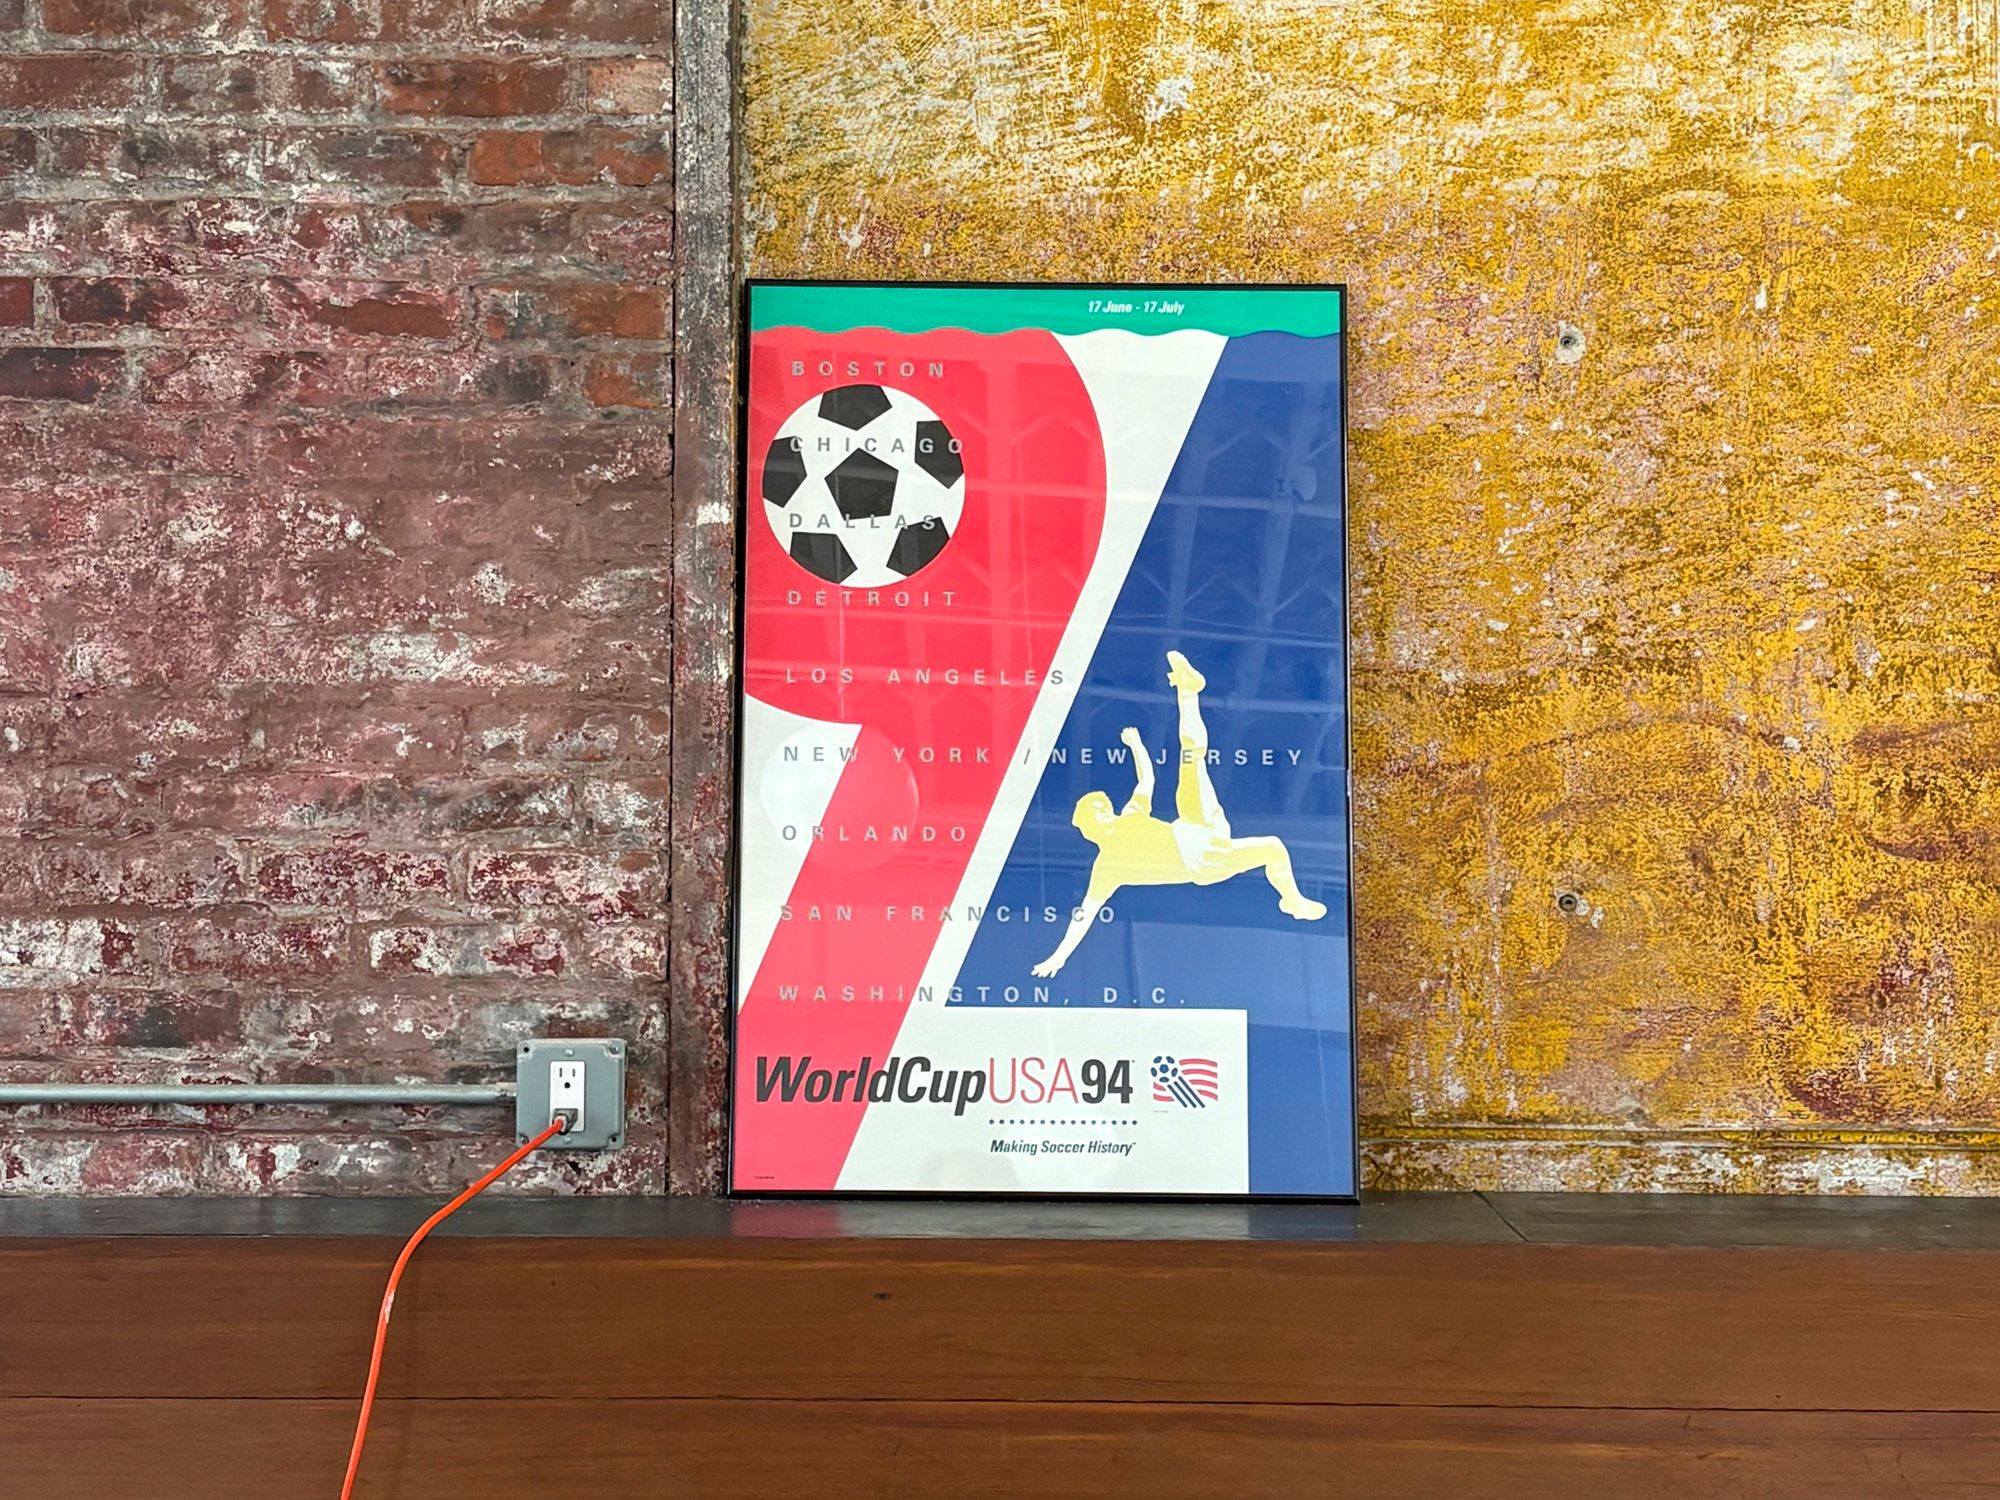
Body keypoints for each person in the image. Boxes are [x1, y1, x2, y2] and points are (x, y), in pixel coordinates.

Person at [1031, 651, 1327, 978]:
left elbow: (1146, 780)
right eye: (1098, 810)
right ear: (1089, 828)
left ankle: (1188, 690)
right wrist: (1058, 958)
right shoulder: (1108, 867)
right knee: (1272, 847)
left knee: (1191, 758)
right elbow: (1084, 915)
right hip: (1204, 862)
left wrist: (1135, 746)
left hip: (1195, 826)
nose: (1106, 809)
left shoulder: (1130, 816)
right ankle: (1293, 901)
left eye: (1104, 805)